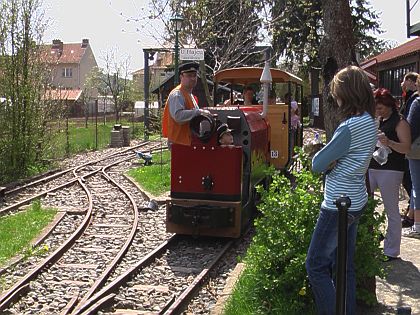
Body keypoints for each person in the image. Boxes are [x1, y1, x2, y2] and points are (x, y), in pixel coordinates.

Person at [305, 66, 377, 315]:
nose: (335, 98)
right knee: (344, 266)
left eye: (336, 92)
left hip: (337, 203)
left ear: (346, 93)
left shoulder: (349, 127)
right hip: (355, 200)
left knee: (315, 264)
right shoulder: (370, 121)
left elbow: (317, 164)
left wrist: (328, 157)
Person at [368, 88, 411, 260]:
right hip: (372, 167)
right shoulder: (379, 120)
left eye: (380, 108)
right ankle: (370, 240)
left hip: (391, 170)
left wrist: (390, 142)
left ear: (389, 105)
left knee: (391, 209)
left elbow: (406, 147)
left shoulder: (400, 122)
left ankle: (391, 250)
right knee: (363, 205)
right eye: (376, 108)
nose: (378, 111)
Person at [162, 62, 209, 146]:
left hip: (186, 142)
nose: (192, 78)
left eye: (194, 75)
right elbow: (178, 116)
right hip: (179, 142)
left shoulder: (189, 95)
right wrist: (198, 112)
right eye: (189, 76)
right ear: (181, 77)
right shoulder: (177, 94)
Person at [400, 72, 418, 227]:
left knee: (414, 184)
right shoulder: (411, 98)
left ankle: (414, 220)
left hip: (415, 149)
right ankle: (411, 215)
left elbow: (410, 125)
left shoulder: (415, 100)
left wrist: (404, 144)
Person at [406, 75, 420, 237]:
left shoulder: (417, 102)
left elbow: (411, 128)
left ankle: (417, 226)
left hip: (417, 151)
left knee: (417, 186)